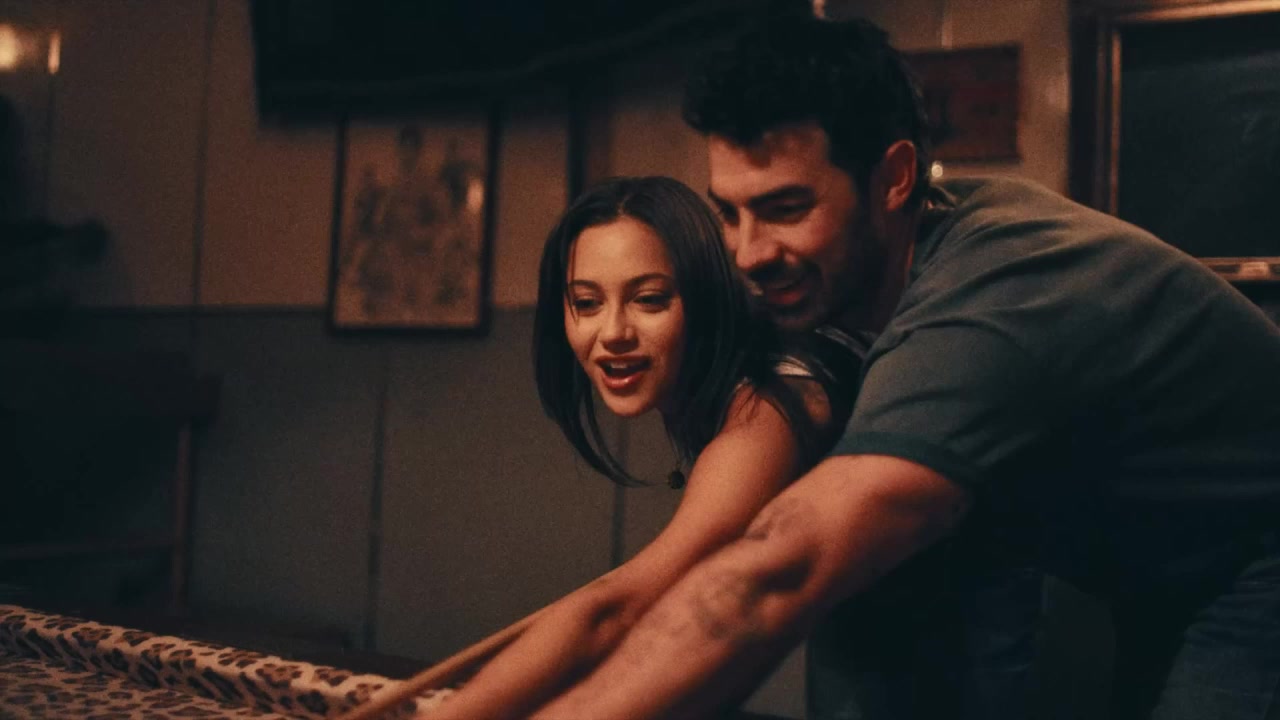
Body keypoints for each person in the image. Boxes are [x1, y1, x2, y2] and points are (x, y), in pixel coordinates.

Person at [526, 9, 1280, 720]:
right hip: (1161, 578)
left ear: (893, 178)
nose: (748, 253)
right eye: (729, 212)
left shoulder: (984, 299)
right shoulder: (885, 258)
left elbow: (774, 577)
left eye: (786, 208)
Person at [427, 176, 869, 720]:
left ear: (705, 300)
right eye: (586, 303)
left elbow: (621, 610)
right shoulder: (721, 383)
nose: (613, 331)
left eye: (650, 300)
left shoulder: (768, 415)